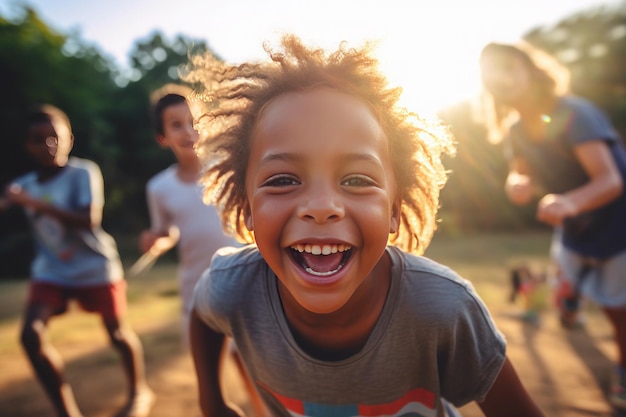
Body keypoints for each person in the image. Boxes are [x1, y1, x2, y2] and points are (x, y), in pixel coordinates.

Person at [186, 34, 545, 417]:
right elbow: (203, 313)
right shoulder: (233, 286)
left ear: (394, 208)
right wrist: (211, 399)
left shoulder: (444, 310)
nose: (321, 208)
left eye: (356, 180)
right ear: (247, 208)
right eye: (283, 180)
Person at [479, 41, 626, 409]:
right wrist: (517, 182)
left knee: (618, 310)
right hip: (576, 228)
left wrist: (569, 202)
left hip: (618, 227)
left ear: (531, 70)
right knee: (563, 284)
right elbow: (520, 171)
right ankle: (570, 301)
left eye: (508, 67)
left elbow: (611, 180)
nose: (499, 76)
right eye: (490, 72)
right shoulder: (515, 129)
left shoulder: (575, 114)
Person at [0, 104, 155, 417]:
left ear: (69, 139)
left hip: (95, 267)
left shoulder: (84, 172)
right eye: (38, 139)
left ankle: (140, 391)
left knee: (117, 333)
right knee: (31, 335)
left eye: (54, 137)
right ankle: (66, 411)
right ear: (27, 145)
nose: (48, 145)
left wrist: (29, 202)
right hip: (52, 270)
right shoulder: (24, 185)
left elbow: (88, 220)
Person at [139, 84, 239, 342]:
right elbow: (167, 233)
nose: (188, 131)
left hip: (240, 275)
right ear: (162, 138)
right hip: (195, 284)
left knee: (248, 364)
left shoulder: (229, 169)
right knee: (206, 364)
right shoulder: (158, 187)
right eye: (176, 125)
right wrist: (155, 242)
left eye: (193, 121)